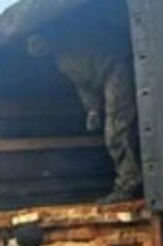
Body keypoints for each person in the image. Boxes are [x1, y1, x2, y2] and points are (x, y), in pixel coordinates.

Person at [26, 32, 142, 203]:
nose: (39, 50)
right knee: (116, 132)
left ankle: (128, 185)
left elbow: (102, 64)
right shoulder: (61, 62)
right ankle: (130, 181)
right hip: (107, 77)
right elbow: (84, 85)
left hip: (116, 69)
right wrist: (92, 110)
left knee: (116, 130)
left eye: (38, 44)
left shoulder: (75, 40)